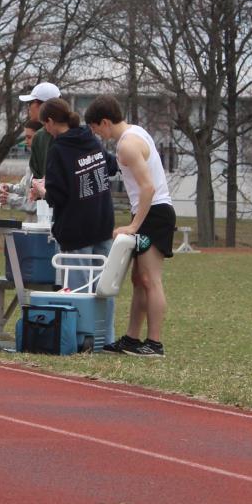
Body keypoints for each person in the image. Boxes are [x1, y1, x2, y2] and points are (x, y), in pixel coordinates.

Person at [84, 94, 177, 357]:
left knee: (151, 280)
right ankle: (132, 339)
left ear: (105, 121)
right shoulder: (134, 133)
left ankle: (154, 343)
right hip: (149, 212)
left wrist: (135, 225)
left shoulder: (127, 145)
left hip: (155, 213)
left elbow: (148, 187)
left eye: (95, 128)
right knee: (139, 279)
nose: (96, 134)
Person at [40, 98, 114, 257]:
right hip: (103, 224)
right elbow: (112, 165)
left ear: (50, 122)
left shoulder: (58, 150)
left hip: (76, 232)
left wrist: (42, 191)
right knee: (104, 274)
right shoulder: (91, 139)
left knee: (77, 275)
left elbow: (57, 196)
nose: (46, 129)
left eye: (45, 124)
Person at [19, 80, 60, 200]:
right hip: (46, 204)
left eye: (31, 103)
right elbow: (36, 176)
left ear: (41, 106)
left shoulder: (71, 134)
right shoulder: (39, 137)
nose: (28, 107)